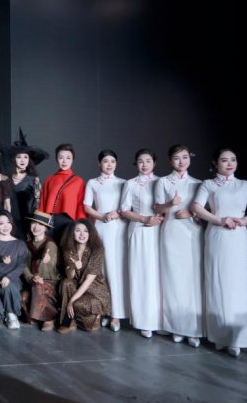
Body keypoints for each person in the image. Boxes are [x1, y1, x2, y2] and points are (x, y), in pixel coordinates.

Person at [191, 148, 247, 357]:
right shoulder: (208, 184)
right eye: (224, 160)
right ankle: (219, 336)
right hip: (217, 235)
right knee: (218, 282)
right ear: (215, 163)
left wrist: (244, 220)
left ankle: (236, 338)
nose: (230, 163)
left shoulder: (244, 185)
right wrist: (219, 220)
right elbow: (196, 207)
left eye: (233, 159)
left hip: (238, 236)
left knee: (237, 284)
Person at [154, 144, 203, 347]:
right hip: (171, 233)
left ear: (189, 159)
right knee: (172, 280)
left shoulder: (198, 183)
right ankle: (175, 326)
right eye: (176, 158)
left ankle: (194, 329)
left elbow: (206, 209)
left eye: (184, 157)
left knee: (193, 281)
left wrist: (191, 212)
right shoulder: (163, 181)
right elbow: (158, 208)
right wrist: (171, 204)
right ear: (170, 161)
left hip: (193, 233)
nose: (181, 161)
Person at [121, 149, 164, 339]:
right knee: (142, 274)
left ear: (154, 163)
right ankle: (144, 321)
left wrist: (160, 218)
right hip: (139, 229)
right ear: (135, 164)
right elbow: (124, 209)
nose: (144, 165)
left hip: (160, 230)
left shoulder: (162, 182)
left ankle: (160, 321)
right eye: (140, 161)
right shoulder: (130, 183)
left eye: (148, 161)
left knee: (158, 275)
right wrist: (145, 218)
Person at [83, 149, 127, 332]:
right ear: (99, 163)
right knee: (101, 269)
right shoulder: (93, 183)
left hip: (118, 228)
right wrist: (102, 216)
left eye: (113, 161)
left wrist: (117, 213)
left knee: (116, 270)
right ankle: (103, 310)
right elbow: (87, 206)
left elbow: (127, 206)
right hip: (101, 227)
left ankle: (117, 314)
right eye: (106, 161)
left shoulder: (123, 183)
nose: (109, 165)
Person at [57, 220, 111, 333]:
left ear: (90, 233)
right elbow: (70, 276)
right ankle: (68, 320)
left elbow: (88, 281)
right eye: (78, 231)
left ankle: (95, 316)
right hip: (78, 285)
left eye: (86, 231)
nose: (82, 234)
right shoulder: (69, 249)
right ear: (72, 233)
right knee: (66, 282)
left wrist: (71, 302)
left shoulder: (97, 249)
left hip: (95, 290)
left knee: (77, 303)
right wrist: (73, 266)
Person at [21, 211, 60, 332]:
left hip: (49, 280)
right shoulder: (28, 245)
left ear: (46, 228)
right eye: (34, 223)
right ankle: (35, 316)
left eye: (41, 224)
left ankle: (49, 318)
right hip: (34, 280)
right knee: (23, 297)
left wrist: (46, 260)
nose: (36, 227)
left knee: (39, 286)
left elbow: (51, 264)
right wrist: (32, 277)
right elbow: (24, 266)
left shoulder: (50, 244)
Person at [39, 144, 86, 242]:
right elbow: (43, 203)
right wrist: (41, 223)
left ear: (72, 160)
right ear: (57, 159)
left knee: (67, 248)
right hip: (50, 220)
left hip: (69, 221)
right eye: (61, 157)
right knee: (50, 247)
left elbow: (80, 205)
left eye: (68, 158)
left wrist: (80, 225)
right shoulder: (49, 179)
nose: (64, 161)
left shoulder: (78, 181)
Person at [9, 128, 48, 235]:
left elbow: (38, 203)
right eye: (19, 157)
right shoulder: (7, 178)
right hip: (10, 221)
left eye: (25, 157)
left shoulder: (34, 179)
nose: (23, 160)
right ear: (14, 159)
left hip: (28, 221)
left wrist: (35, 223)